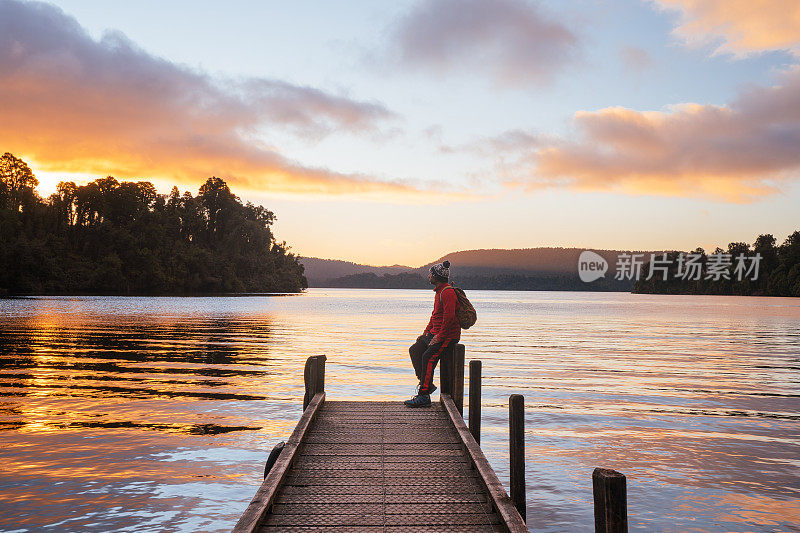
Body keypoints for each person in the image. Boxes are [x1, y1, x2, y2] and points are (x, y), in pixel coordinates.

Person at [405, 260, 460, 407]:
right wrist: (425, 333)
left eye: (431, 274)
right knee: (415, 350)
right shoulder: (439, 291)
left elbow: (449, 319)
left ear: (436, 276)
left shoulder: (447, 292)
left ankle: (424, 396)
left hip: (448, 336)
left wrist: (439, 337)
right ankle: (426, 384)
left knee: (428, 357)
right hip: (435, 333)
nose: (428, 276)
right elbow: (435, 316)